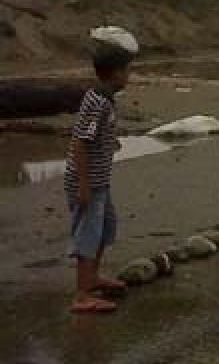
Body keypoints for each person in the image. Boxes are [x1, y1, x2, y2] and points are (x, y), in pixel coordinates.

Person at [65, 43, 136, 313]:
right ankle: (82, 295)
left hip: (98, 180)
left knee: (105, 228)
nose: (129, 76)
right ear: (115, 73)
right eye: (127, 71)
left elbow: (96, 136)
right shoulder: (97, 102)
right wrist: (84, 185)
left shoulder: (106, 99)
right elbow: (81, 142)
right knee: (88, 233)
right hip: (88, 182)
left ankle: (92, 278)